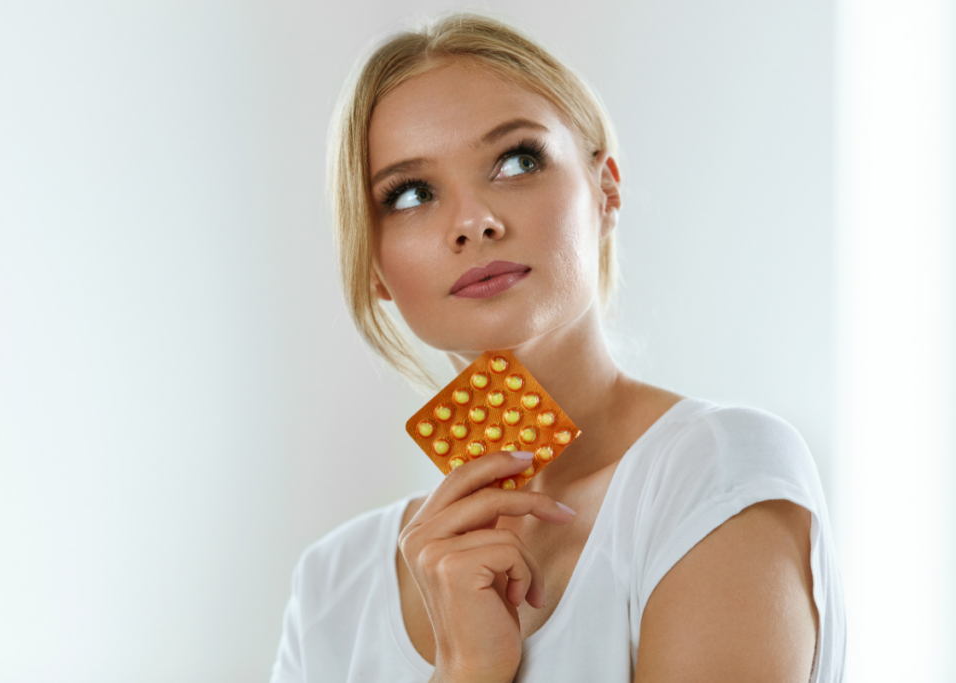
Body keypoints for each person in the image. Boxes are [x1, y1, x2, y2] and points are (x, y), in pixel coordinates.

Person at [271, 11, 845, 683]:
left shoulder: (715, 469)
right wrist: (465, 666)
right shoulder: (329, 584)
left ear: (606, 190)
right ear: (374, 269)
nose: (473, 222)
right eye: (411, 193)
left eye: (517, 160)